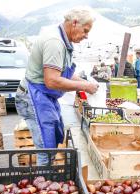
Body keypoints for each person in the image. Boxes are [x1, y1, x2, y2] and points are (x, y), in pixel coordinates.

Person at [15, 8, 98, 165]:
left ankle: (47, 180)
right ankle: (43, 184)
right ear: (74, 23)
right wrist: (84, 87)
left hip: (44, 96)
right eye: (85, 31)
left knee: (52, 140)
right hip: (34, 97)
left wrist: (85, 82)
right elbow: (52, 81)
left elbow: (62, 73)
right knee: (45, 150)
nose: (86, 36)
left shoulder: (62, 39)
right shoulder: (55, 42)